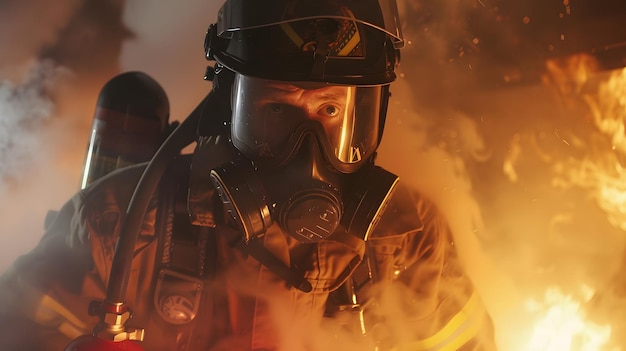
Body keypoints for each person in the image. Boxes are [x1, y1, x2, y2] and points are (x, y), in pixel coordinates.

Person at [0, 0, 498, 350]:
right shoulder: (118, 226)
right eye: (277, 110)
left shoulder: (406, 240)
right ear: (226, 106)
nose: (308, 145)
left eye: (330, 110)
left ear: (372, 113)